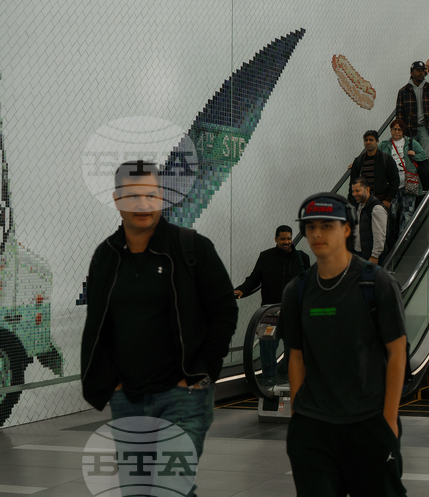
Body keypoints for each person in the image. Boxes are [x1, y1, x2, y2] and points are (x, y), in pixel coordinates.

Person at [81, 160, 238, 495]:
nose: (143, 204)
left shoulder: (192, 248)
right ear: (116, 199)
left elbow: (224, 310)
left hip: (183, 397)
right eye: (133, 196)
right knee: (137, 491)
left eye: (151, 195)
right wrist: (112, 384)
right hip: (129, 399)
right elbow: (99, 323)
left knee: (169, 488)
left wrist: (202, 371)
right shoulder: (106, 256)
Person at [280, 193, 407, 496]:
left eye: (327, 226)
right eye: (311, 227)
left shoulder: (376, 284)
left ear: (347, 229)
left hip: (369, 422)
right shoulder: (297, 291)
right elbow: (295, 357)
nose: (317, 234)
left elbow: (397, 352)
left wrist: (389, 420)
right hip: (314, 427)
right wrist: (298, 418)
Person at [234, 226, 311, 387]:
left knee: (293, 346)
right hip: (269, 311)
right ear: (276, 239)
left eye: (289, 238)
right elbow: (254, 279)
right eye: (282, 239)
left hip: (293, 311)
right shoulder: (266, 257)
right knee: (267, 345)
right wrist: (241, 289)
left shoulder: (302, 258)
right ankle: (269, 377)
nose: (286, 242)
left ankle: (288, 375)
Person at [379, 119, 428, 229]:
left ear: (403, 131)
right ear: (391, 130)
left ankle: (404, 239)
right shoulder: (384, 145)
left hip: (409, 184)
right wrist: (356, 162)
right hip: (391, 186)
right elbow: (372, 154)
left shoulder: (410, 143)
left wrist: (414, 155)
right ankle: (391, 240)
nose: (396, 132)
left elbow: (423, 155)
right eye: (394, 129)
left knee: (407, 214)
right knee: (390, 214)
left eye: (399, 130)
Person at [395, 61, 429, 157]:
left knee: (426, 156)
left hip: (426, 127)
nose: (421, 73)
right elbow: (399, 114)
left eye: (423, 70)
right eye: (418, 71)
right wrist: (400, 131)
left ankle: (425, 172)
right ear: (412, 73)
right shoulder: (403, 92)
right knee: (410, 156)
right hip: (410, 129)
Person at [350, 130, 399, 208]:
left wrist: (388, 199)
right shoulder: (358, 160)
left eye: (371, 140)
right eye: (366, 140)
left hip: (381, 200)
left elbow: (395, 180)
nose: (368, 142)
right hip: (363, 201)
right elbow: (352, 182)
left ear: (377, 141)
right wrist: (352, 201)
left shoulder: (385, 158)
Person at [350, 177, 390, 265]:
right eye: (353, 191)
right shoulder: (358, 206)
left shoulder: (376, 208)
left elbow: (379, 235)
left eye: (357, 191)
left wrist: (374, 256)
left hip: (370, 256)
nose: (354, 194)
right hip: (358, 253)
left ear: (367, 189)